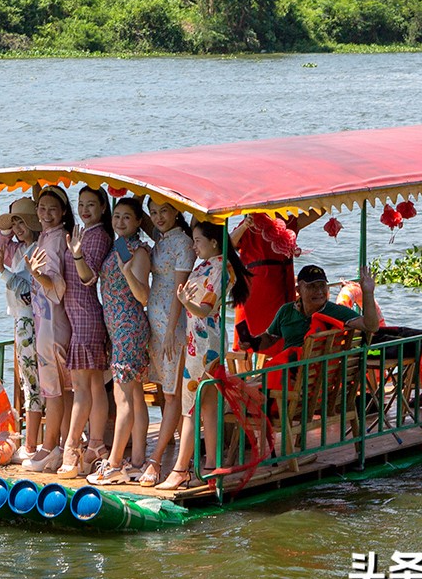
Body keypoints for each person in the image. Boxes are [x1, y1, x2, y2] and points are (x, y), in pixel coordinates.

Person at [155, 220, 246, 492]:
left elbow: (206, 309)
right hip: (200, 339)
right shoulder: (210, 264)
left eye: (197, 240)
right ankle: (210, 467)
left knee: (190, 405)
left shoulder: (222, 268)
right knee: (207, 405)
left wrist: (185, 302)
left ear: (214, 242)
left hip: (205, 344)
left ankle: (181, 468)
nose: (193, 246)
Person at [86, 196, 153, 486]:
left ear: (139, 221)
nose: (120, 222)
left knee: (124, 397)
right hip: (117, 327)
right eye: (117, 217)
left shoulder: (138, 251)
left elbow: (143, 296)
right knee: (135, 395)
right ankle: (136, 461)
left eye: (127, 217)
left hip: (129, 327)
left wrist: (127, 271)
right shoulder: (117, 246)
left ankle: (114, 464)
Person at [55, 186, 112, 478]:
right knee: (90, 386)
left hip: (88, 317)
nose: (86, 209)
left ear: (103, 207)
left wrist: (76, 256)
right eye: (81, 204)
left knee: (85, 388)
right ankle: (95, 448)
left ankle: (74, 447)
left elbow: (88, 277)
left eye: (92, 204)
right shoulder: (83, 232)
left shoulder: (99, 235)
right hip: (77, 318)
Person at [22, 187, 74, 472]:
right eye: (41, 208)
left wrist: (37, 274)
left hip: (53, 321)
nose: (45, 213)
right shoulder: (47, 236)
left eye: (52, 209)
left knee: (54, 387)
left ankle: (51, 445)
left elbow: (56, 286)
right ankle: (63, 443)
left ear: (64, 211)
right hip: (46, 319)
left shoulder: (57, 240)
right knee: (60, 387)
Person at [141, 199, 193, 484]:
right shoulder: (161, 239)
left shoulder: (183, 243)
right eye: (154, 212)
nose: (159, 217)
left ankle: (156, 459)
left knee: (172, 392)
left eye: (164, 211)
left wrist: (172, 330)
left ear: (176, 212)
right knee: (163, 388)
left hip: (171, 326)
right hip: (154, 320)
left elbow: (178, 291)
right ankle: (168, 443)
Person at [231, 210, 322, 356]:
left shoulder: (288, 221)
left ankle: (263, 371)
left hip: (276, 285)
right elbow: (228, 244)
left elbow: (318, 211)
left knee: (277, 335)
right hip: (258, 286)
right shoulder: (252, 222)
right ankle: (256, 372)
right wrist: (244, 227)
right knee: (250, 337)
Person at [0, 198, 45, 459]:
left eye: (21, 222)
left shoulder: (36, 250)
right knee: (28, 382)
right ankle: (33, 441)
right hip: (21, 321)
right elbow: (0, 246)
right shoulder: (21, 249)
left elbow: (26, 290)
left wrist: (2, 272)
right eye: (14, 223)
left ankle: (32, 445)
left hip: (30, 322)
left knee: (32, 383)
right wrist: (4, 228)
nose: (17, 228)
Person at [244, 263, 378, 353]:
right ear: (299, 290)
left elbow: (371, 326)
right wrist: (251, 342)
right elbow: (269, 338)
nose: (319, 291)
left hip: (311, 379)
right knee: (249, 387)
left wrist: (367, 292)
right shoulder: (286, 311)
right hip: (289, 373)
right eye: (311, 286)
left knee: (248, 388)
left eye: (322, 285)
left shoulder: (336, 311)